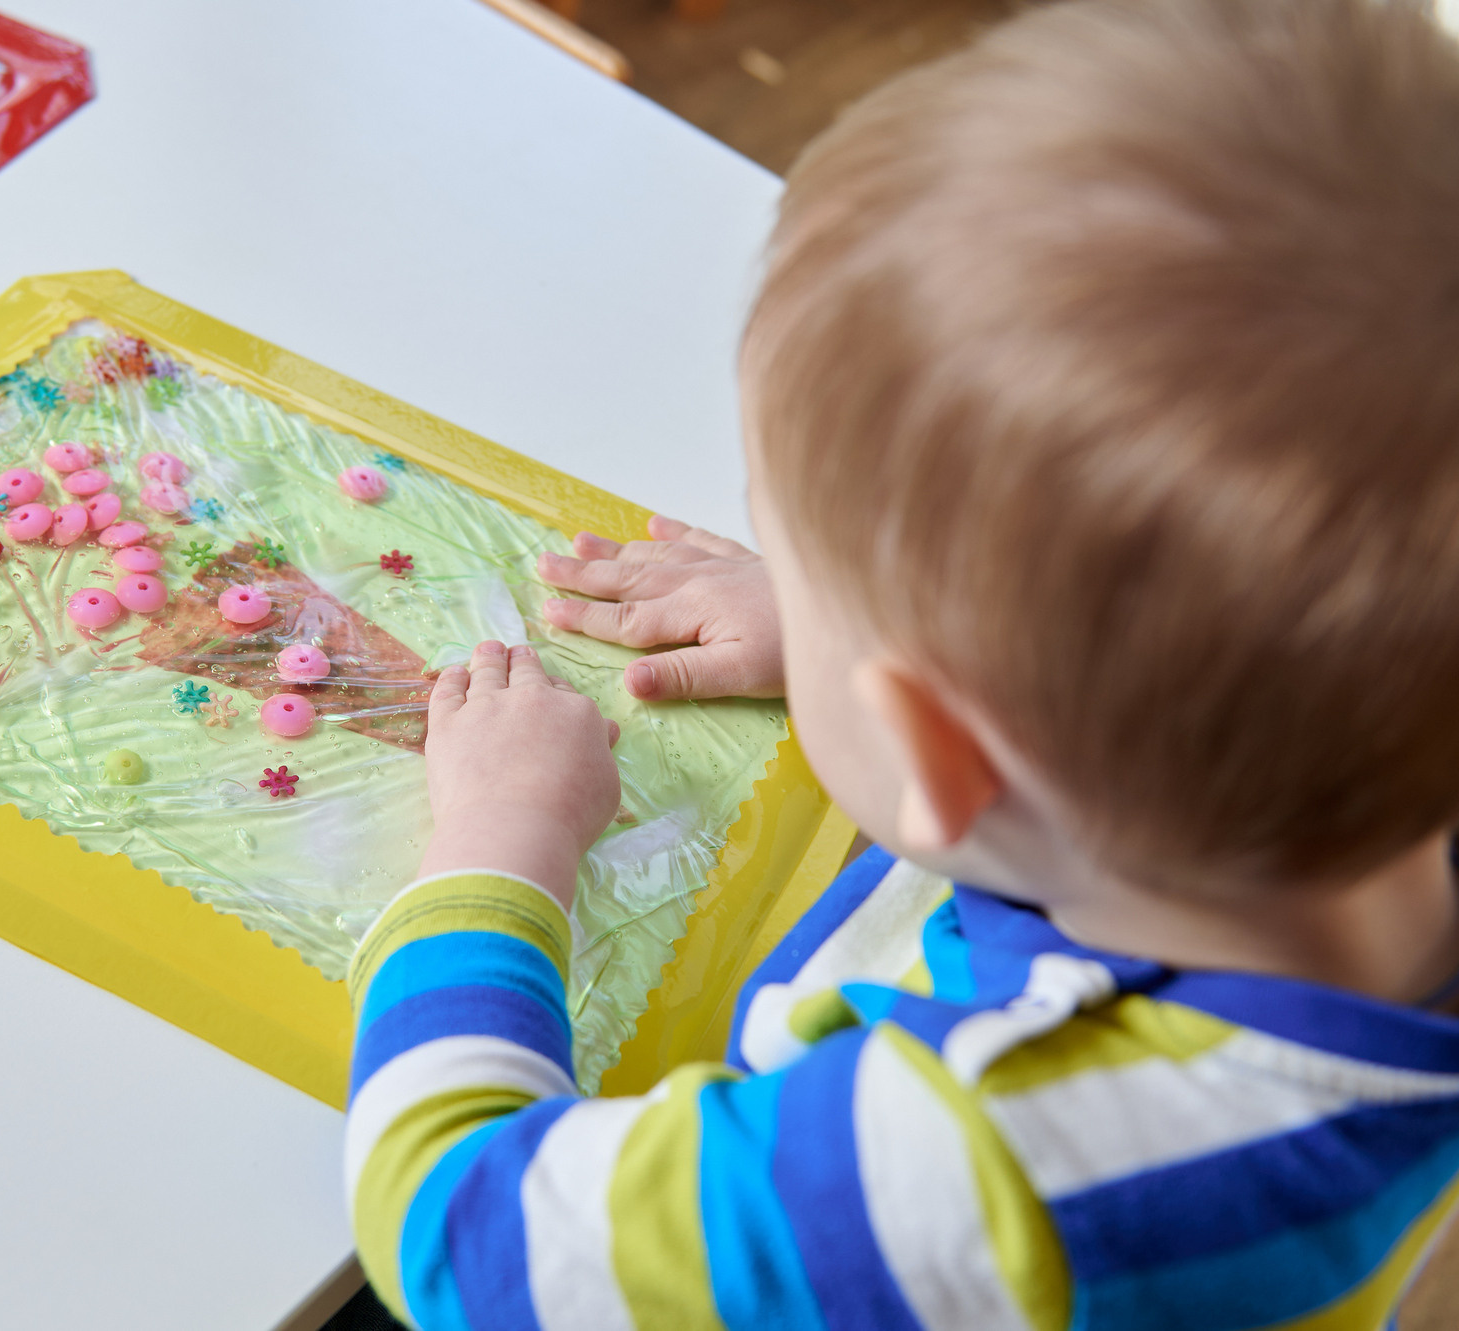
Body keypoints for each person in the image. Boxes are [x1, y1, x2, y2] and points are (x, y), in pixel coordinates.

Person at [345, 0, 1459, 1325]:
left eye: (812, 593)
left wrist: (500, 841)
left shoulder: (980, 1185)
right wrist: (871, 624)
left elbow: (459, 1237)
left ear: (942, 761)